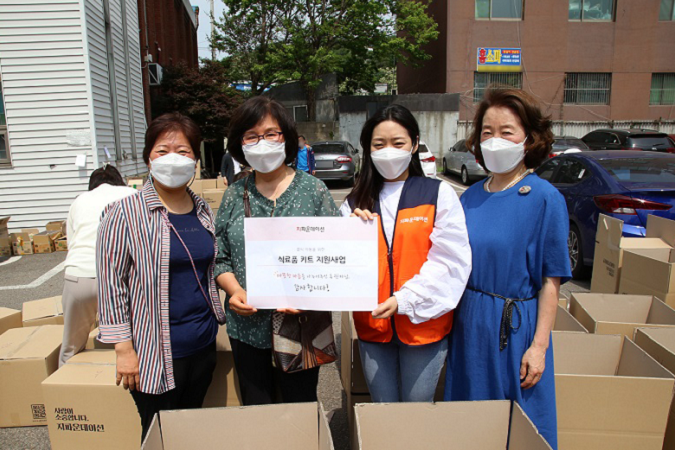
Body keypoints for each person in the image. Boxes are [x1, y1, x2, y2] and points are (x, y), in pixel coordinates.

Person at [444, 88, 571, 450]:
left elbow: (551, 282)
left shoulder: (544, 198)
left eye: (507, 132)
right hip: (469, 324)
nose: (495, 140)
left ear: (529, 138)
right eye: (487, 132)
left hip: (514, 327)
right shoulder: (470, 196)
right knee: (471, 421)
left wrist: (539, 347)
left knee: (520, 425)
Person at [96, 113, 226, 440]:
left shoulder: (202, 210)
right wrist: (123, 350)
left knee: (189, 427)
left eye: (183, 151)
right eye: (162, 151)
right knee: (158, 433)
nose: (173, 158)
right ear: (148, 159)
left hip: (202, 343)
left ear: (195, 160)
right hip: (153, 350)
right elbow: (111, 285)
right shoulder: (123, 213)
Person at [341, 104, 472, 402]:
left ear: (414, 144)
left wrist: (405, 300)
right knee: (384, 408)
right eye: (379, 144)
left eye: (397, 143)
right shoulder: (354, 203)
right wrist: (347, 233)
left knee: (416, 410)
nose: (388, 151)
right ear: (368, 149)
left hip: (424, 325)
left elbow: (450, 261)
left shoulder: (437, 193)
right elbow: (339, 266)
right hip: (373, 326)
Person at [214, 96, 338, 406]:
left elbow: (337, 254)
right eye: (251, 136)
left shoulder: (313, 191)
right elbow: (220, 256)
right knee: (258, 410)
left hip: (302, 326)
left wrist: (308, 295)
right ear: (240, 144)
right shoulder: (234, 195)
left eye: (271, 134)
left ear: (287, 137)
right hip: (247, 327)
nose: (262, 143)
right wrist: (234, 290)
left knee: (299, 409)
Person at [58, 164, 136, 366]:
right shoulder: (132, 195)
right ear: (119, 181)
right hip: (121, 279)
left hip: (79, 275)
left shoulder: (79, 200)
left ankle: (63, 381)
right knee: (132, 340)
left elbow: (71, 242)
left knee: (72, 344)